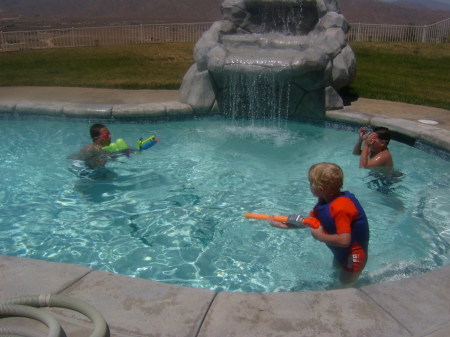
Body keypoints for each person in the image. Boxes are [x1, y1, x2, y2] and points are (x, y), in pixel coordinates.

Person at [269, 162, 369, 286]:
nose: (310, 186)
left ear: (320, 188)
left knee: (342, 287)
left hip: (354, 256)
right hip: (340, 253)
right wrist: (284, 224)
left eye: (311, 183)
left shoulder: (342, 207)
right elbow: (310, 222)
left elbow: (344, 240)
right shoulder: (324, 202)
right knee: (335, 278)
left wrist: (320, 237)